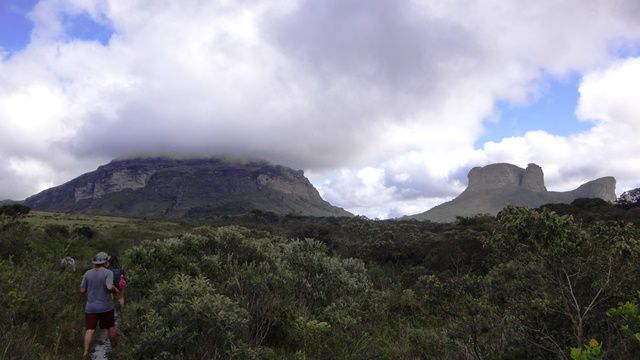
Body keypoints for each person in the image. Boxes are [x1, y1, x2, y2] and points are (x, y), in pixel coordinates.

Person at [80, 252, 118, 358]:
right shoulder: (108, 273)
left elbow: (82, 290)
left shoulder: (87, 273)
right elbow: (109, 287)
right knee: (111, 327)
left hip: (91, 307)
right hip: (106, 306)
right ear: (105, 262)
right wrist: (116, 290)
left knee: (90, 330)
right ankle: (115, 349)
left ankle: (85, 352)